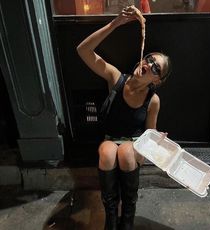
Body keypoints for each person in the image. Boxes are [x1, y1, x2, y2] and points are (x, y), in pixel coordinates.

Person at [77, 5, 171, 230]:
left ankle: (127, 219)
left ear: (157, 81)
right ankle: (111, 218)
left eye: (155, 68)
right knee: (108, 151)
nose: (148, 65)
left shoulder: (153, 100)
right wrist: (115, 24)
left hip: (135, 147)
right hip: (111, 138)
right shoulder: (116, 78)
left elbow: (148, 134)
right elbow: (83, 50)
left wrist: (157, 138)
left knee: (126, 152)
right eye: (149, 59)